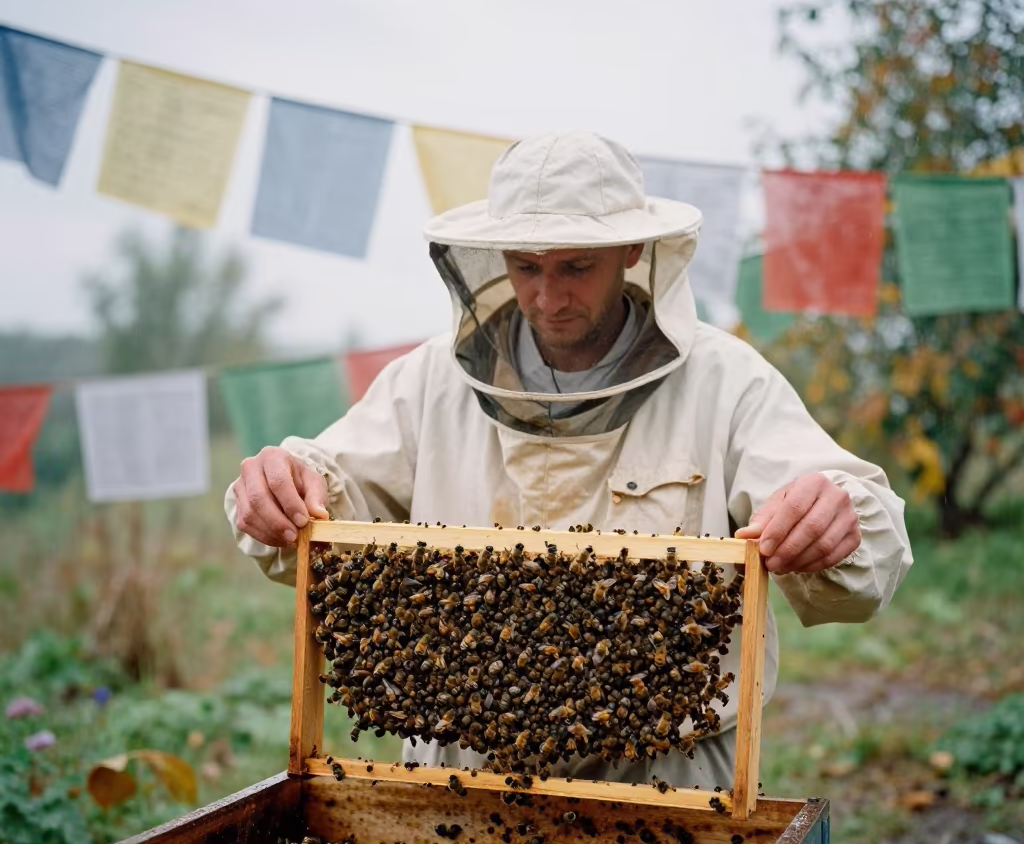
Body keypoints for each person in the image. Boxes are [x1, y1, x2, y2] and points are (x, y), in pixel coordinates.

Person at [226, 130, 913, 789]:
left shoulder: (727, 382)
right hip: (459, 780)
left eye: (575, 267)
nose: (548, 298)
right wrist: (280, 484)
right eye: (527, 268)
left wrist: (837, 516)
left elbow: (866, 531)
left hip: (666, 783)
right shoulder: (429, 382)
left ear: (633, 250)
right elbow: (328, 489)